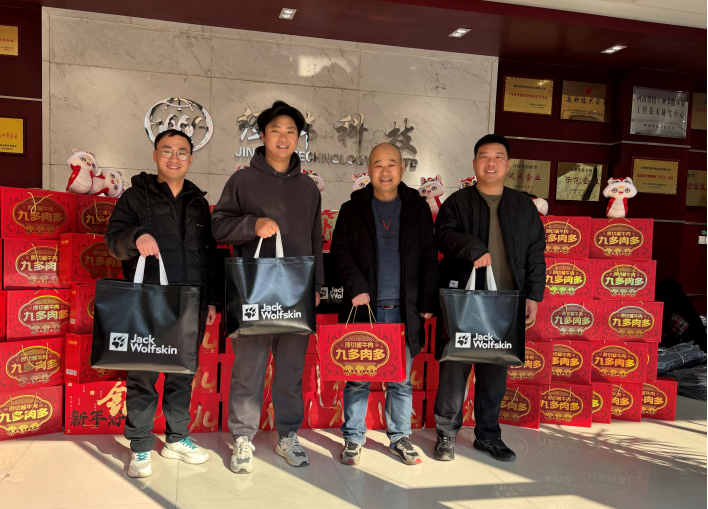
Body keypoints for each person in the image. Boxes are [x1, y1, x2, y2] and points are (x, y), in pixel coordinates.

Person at [211, 100, 324, 474]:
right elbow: (218, 225)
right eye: (276, 130)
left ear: (299, 138)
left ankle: (287, 435)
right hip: (255, 291)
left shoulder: (308, 187)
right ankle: (243, 437)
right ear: (262, 135)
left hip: (296, 292)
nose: (283, 137)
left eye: (291, 131)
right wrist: (252, 224)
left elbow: (315, 238)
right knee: (249, 369)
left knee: (291, 371)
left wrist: (316, 285)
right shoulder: (243, 180)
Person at [105, 129, 220, 478]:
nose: (174, 158)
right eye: (167, 151)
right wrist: (136, 236)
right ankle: (140, 445)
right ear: (155, 155)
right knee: (143, 374)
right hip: (150, 302)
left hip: (190, 301)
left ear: (191, 159)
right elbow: (113, 241)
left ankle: (177, 438)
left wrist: (210, 298)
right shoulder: (134, 197)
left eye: (182, 152)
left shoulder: (198, 202)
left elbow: (209, 254)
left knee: (182, 373)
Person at [433, 134, 545, 463]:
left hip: (505, 303)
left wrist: (534, 295)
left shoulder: (523, 205)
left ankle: (487, 436)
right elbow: (443, 236)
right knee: (454, 371)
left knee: (495, 375)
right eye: (484, 156)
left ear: (508, 165)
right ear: (474, 164)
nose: (491, 163)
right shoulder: (458, 202)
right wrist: (473, 248)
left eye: (498, 157)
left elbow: (536, 251)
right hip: (464, 302)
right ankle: (446, 435)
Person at [331, 143, 439, 466]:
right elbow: (339, 253)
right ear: (369, 170)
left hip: (403, 310)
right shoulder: (353, 208)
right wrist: (357, 286)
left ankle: (399, 437)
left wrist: (426, 300)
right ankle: (353, 437)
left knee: (401, 381)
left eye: (391, 164)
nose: (385, 171)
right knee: (357, 378)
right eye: (378, 165)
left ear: (402, 168)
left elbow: (429, 257)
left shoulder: (417, 209)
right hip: (365, 308)